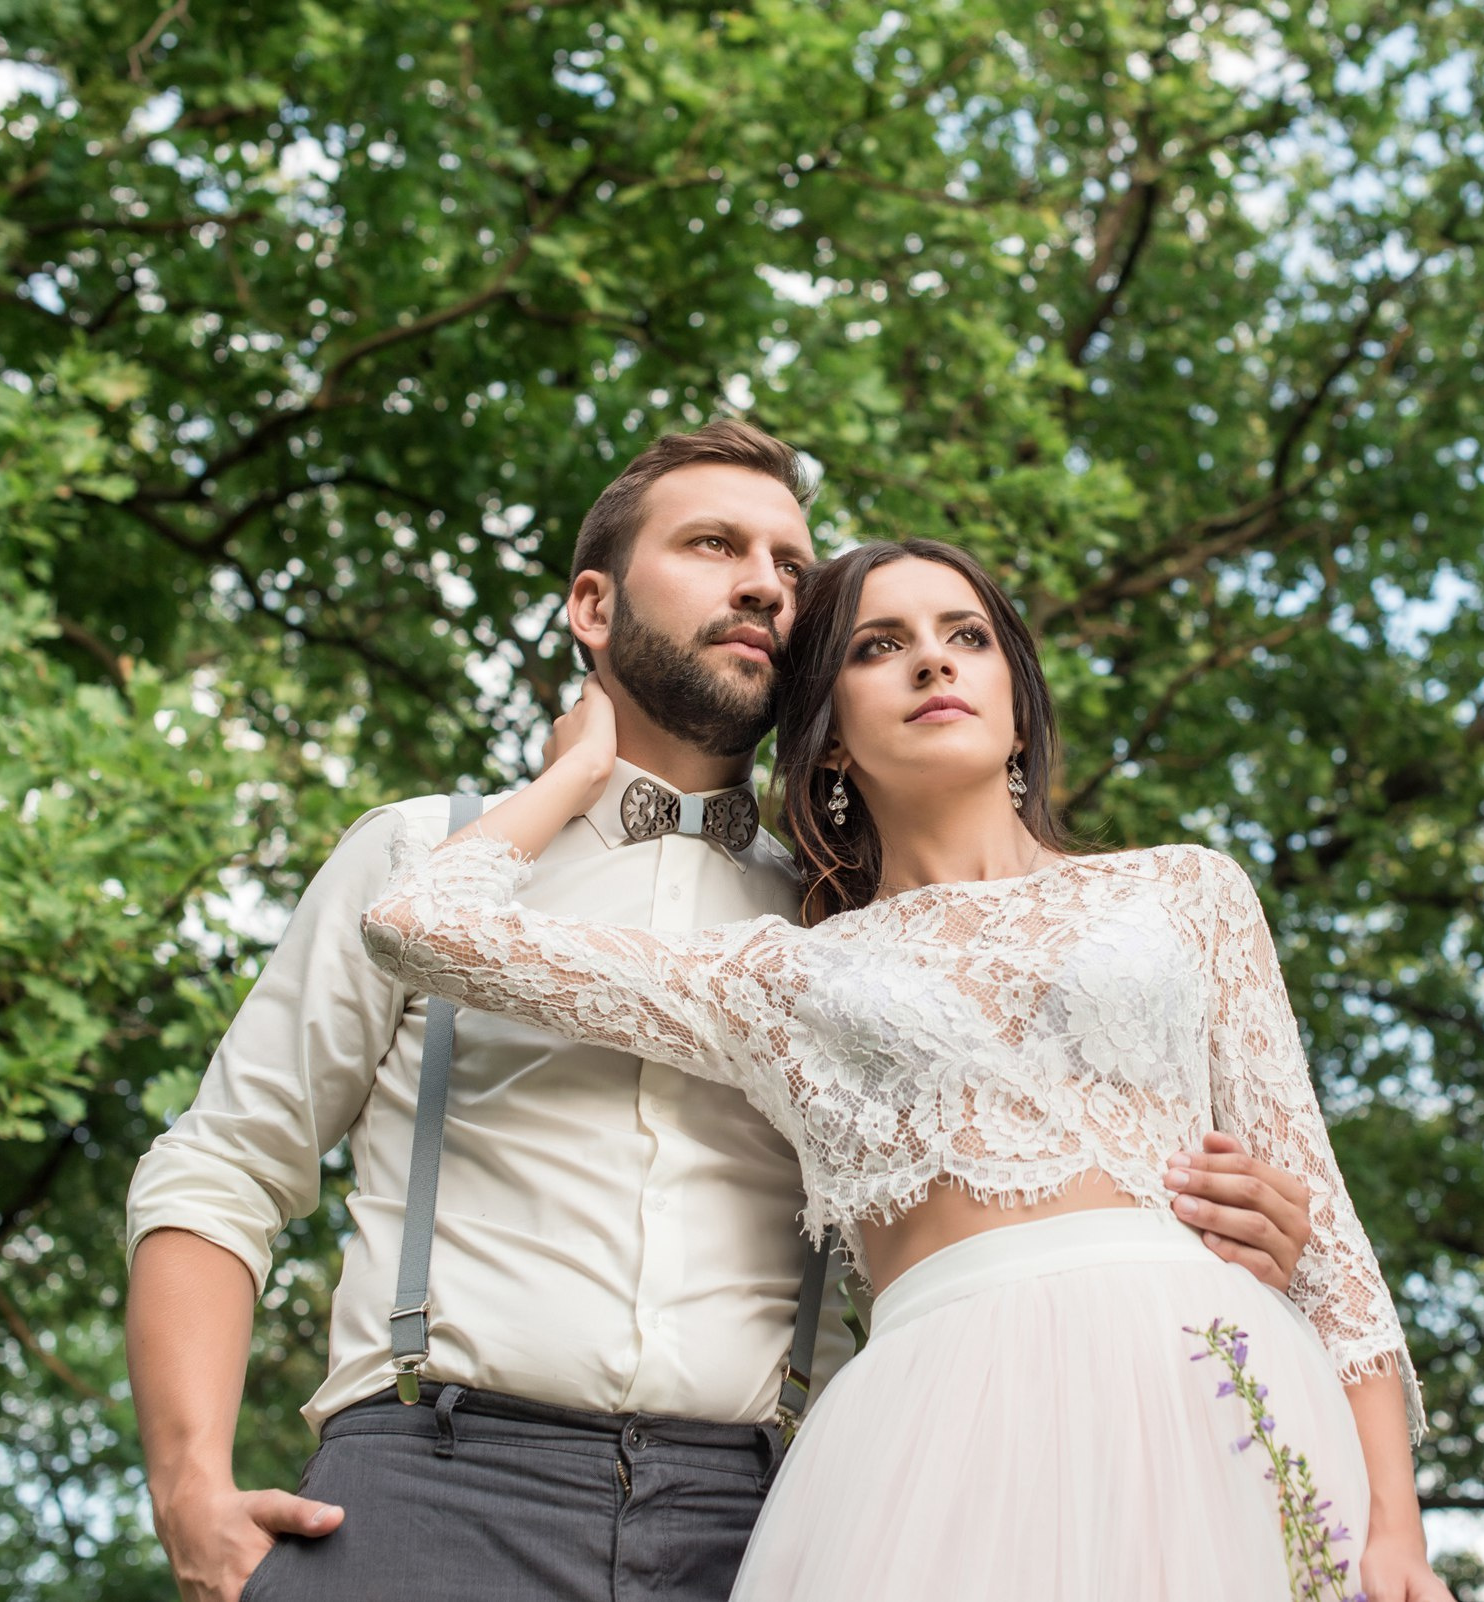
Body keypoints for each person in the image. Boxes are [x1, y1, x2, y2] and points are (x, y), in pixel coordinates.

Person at [123, 423, 1325, 1602]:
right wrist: (190, 1491)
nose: (761, 583)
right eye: (711, 545)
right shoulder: (424, 851)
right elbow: (224, 1166)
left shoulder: (851, 942)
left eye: (791, 568)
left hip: (771, 1517)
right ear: (593, 608)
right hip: (435, 1488)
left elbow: (1014, 1172)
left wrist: (1220, 1220)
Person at [358, 535, 1454, 1601]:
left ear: (1017, 699)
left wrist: (1396, 1530)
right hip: (943, 1434)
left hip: (1214, 1389)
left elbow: (1332, 1250)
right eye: (878, 646)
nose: (933, 659)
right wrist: (583, 769)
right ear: (829, 740)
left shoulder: (1187, 894)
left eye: (965, 635)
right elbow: (415, 922)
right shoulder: (777, 978)